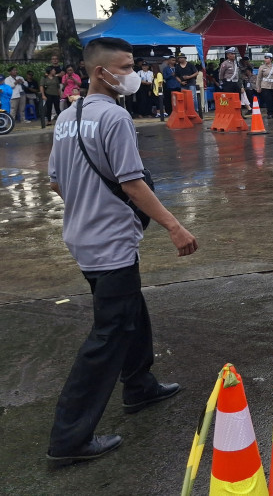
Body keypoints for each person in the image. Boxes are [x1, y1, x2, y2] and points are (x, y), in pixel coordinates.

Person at [46, 36, 197, 466]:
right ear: (101, 72)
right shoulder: (113, 118)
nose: (133, 74)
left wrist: (86, 208)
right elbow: (132, 182)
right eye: (127, 67)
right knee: (108, 334)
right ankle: (69, 438)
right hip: (110, 241)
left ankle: (139, 384)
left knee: (129, 308)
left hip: (82, 236)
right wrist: (175, 226)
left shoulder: (66, 116)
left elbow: (56, 181)